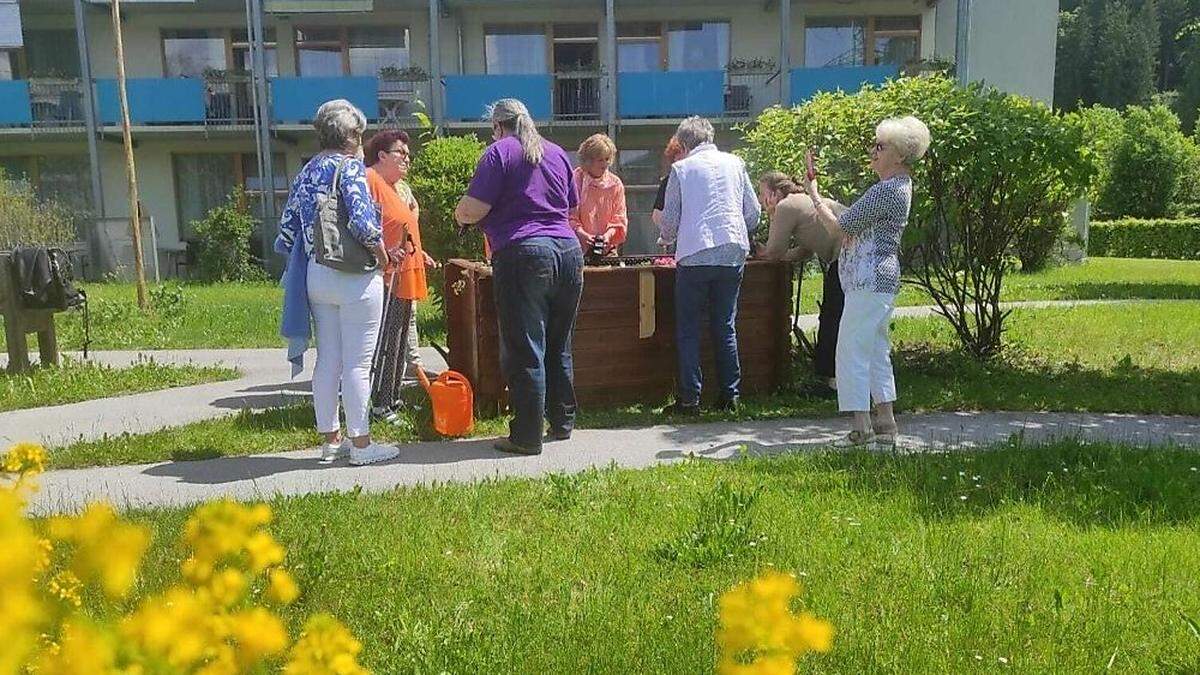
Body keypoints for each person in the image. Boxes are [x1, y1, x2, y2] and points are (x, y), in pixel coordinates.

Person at [454, 98, 584, 455]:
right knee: (559, 343)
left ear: (497, 126)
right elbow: (572, 207)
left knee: (525, 346)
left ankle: (526, 436)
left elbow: (474, 207)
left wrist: (460, 215)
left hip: (523, 253)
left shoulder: (498, 153)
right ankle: (562, 422)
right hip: (568, 252)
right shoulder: (557, 153)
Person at [277, 99, 400, 466]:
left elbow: (286, 230)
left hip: (317, 274)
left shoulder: (307, 171)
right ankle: (361, 445)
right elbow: (364, 224)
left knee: (327, 359)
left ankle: (330, 441)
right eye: (360, 134)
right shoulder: (350, 169)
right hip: (355, 279)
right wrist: (382, 259)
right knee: (358, 365)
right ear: (350, 135)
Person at [805, 115, 931, 448]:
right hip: (879, 279)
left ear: (900, 154)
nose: (873, 152)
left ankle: (860, 429)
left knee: (851, 351)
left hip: (869, 279)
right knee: (875, 351)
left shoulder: (887, 189)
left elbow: (840, 227)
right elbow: (853, 227)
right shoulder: (900, 187)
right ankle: (886, 425)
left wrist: (815, 196)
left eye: (880, 146)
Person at [659, 116, 761, 414]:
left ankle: (690, 399)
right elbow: (753, 214)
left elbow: (670, 220)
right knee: (725, 325)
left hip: (695, 252)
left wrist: (666, 239)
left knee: (689, 328)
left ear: (684, 143)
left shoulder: (681, 169)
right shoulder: (736, 163)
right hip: (732, 252)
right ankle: (730, 396)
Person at [363, 129, 436, 419]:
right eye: (400, 153)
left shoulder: (398, 188)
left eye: (408, 154)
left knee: (399, 339)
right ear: (382, 155)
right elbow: (365, 227)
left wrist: (421, 253)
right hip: (385, 278)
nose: (407, 159)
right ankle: (380, 404)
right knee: (387, 343)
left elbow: (403, 230)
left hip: (404, 274)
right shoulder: (371, 180)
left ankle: (392, 398)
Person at [756, 171, 847, 395]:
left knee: (831, 319)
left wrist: (761, 253)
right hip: (851, 255)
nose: (761, 200)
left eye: (763, 194)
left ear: (776, 192)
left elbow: (775, 251)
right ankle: (837, 379)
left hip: (847, 257)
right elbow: (805, 250)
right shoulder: (802, 201)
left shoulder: (786, 206)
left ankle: (831, 381)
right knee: (836, 317)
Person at [570, 133, 627, 257]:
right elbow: (568, 215)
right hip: (577, 248)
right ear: (588, 160)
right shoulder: (575, 180)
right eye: (600, 160)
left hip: (608, 249)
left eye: (607, 159)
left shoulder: (615, 184)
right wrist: (581, 233)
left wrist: (608, 236)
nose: (605, 164)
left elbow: (619, 217)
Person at [651, 137, 686, 234]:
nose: (680, 158)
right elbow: (656, 214)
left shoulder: (697, 180)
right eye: (676, 154)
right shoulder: (667, 182)